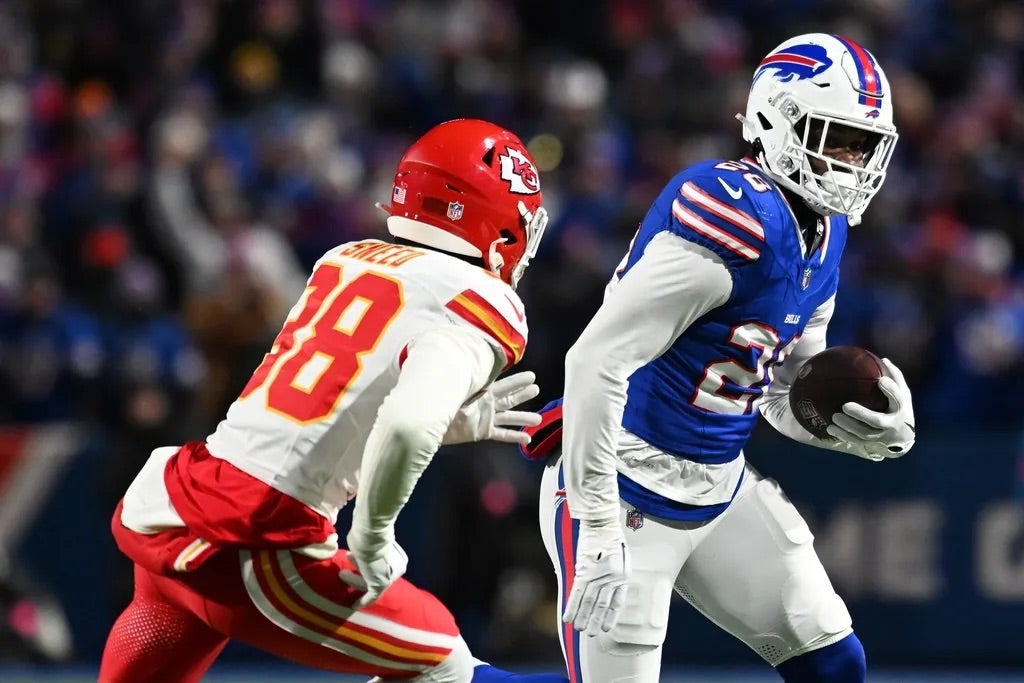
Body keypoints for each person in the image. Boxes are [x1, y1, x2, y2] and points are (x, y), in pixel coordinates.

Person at [99, 118, 569, 683]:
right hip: (259, 532)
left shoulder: (346, 259)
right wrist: (371, 535)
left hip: (184, 495)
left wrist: (441, 421)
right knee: (440, 666)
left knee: (158, 643)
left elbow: (330, 402)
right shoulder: (483, 298)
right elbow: (406, 424)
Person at [524, 34, 916, 682]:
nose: (850, 161)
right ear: (777, 119)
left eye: (862, 145)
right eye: (834, 137)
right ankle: (446, 674)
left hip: (717, 481)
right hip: (620, 486)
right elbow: (594, 359)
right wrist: (595, 525)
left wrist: (851, 430)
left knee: (837, 665)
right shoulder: (733, 215)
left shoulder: (826, 230)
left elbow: (776, 385)